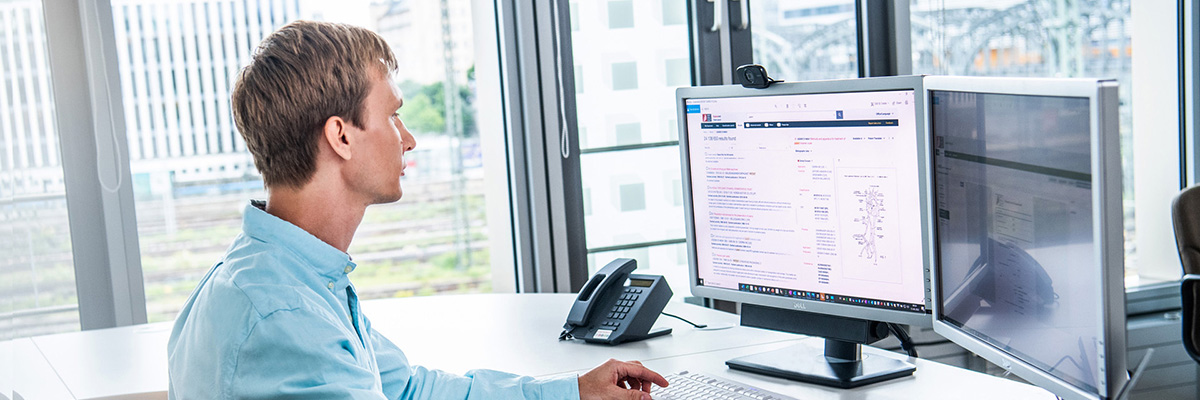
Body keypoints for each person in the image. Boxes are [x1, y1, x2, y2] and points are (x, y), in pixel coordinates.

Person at [166, 20, 668, 399]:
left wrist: (573, 392)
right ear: (341, 136)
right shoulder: (286, 316)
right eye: (393, 115)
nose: (408, 139)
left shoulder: (282, 277)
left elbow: (408, 390)